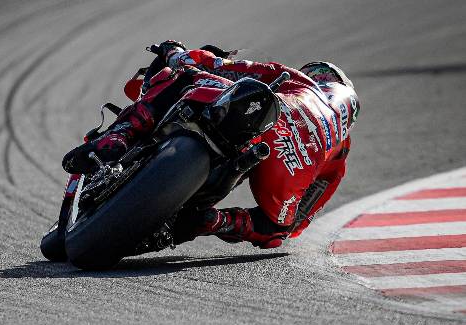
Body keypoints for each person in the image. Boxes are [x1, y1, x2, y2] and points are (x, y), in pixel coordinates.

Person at [62, 40, 360, 250]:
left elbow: (234, 67)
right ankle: (216, 221)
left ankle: (120, 136)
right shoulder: (337, 157)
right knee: (279, 227)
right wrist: (249, 222)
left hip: (273, 121)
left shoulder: (302, 84)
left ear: (319, 78)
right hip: (288, 168)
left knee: (182, 77)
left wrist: (179, 54)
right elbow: (294, 224)